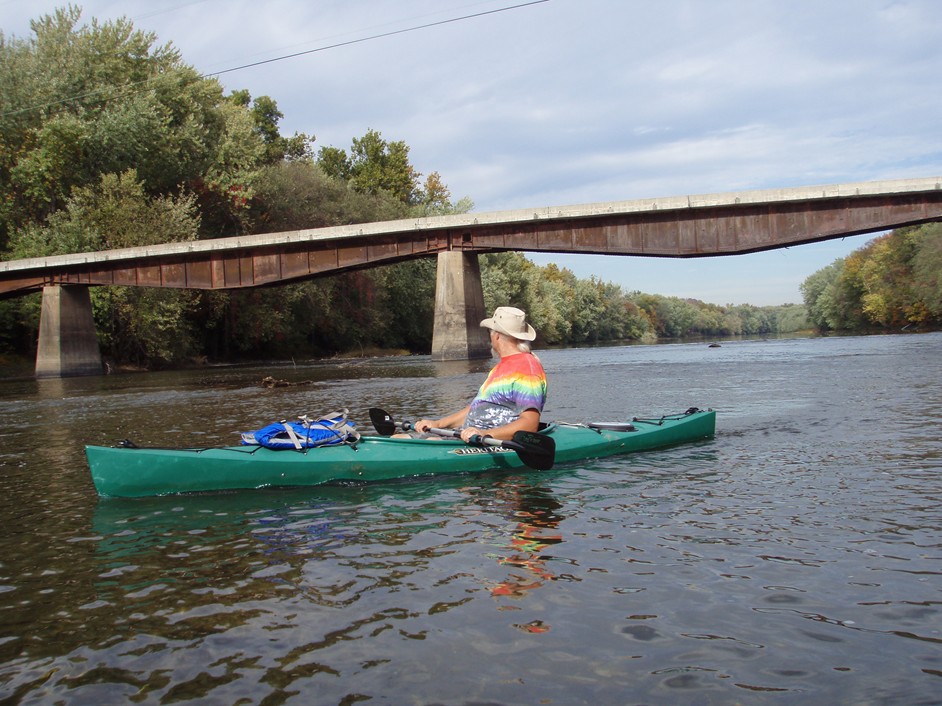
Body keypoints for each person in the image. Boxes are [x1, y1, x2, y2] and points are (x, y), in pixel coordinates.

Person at [412, 306, 547, 442]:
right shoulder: (499, 368)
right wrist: (438, 424)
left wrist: (484, 433)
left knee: (430, 442)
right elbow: (477, 408)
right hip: (467, 435)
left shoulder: (527, 369)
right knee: (400, 437)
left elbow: (530, 423)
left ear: (497, 335)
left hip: (488, 441)